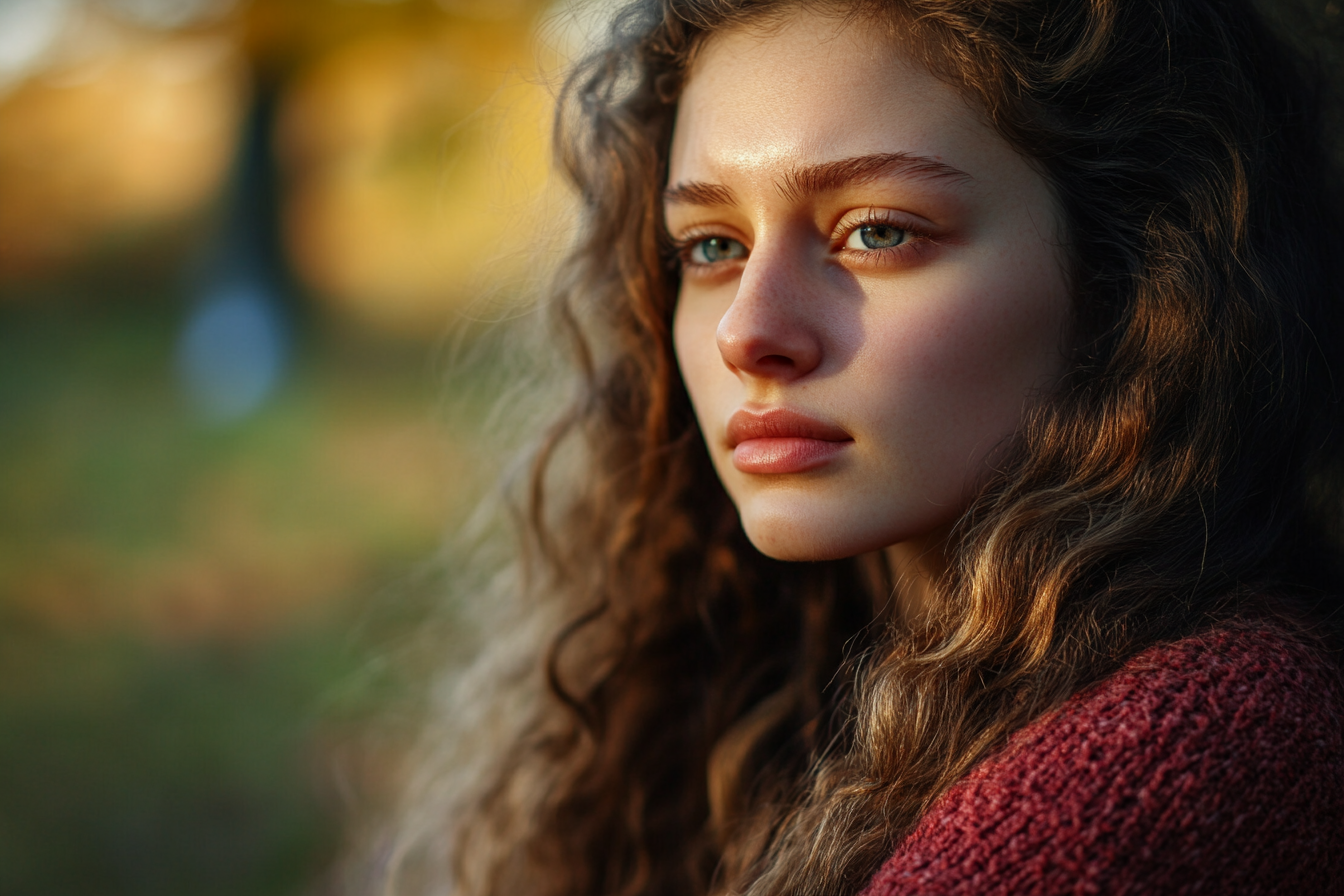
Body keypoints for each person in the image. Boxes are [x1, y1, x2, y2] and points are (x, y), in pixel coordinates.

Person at [370, 1, 1344, 893]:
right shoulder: (758, 689)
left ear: (1133, 278)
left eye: (876, 231)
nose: (748, 333)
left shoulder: (1197, 743)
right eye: (712, 245)